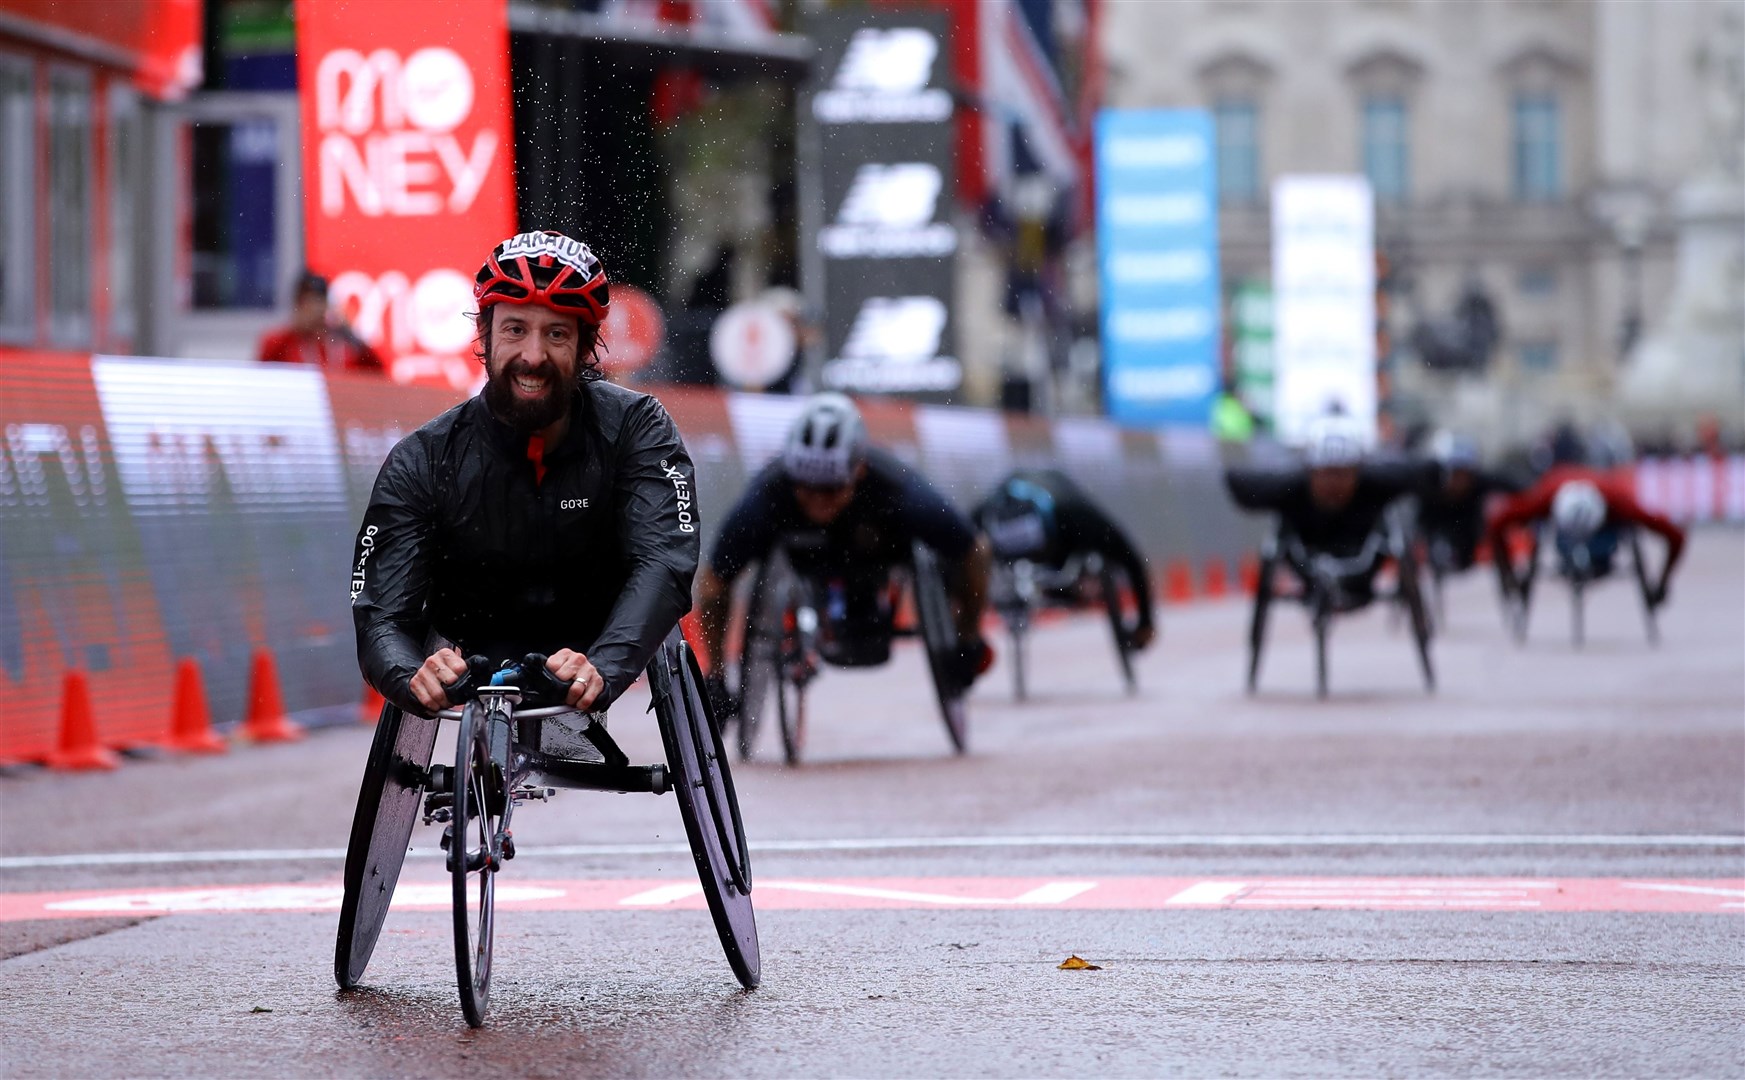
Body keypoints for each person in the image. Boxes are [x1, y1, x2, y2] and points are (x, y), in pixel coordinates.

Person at [352, 230, 698, 720]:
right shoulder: (424, 457)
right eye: (515, 330)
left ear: (584, 348)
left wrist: (604, 665)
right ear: (485, 336)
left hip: (596, 633)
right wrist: (409, 674)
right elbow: (380, 611)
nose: (532, 356)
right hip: (476, 633)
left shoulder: (639, 427)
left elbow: (665, 560)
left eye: (556, 334)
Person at [695, 393, 993, 708]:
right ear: (791, 473)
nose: (817, 502)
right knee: (715, 586)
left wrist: (968, 632)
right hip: (807, 561)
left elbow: (975, 550)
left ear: (859, 471)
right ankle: (714, 678)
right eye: (806, 487)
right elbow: (715, 581)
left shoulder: (896, 488)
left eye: (830, 488)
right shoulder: (770, 491)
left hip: (876, 557)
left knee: (969, 554)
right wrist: (716, 674)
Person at [1224, 414, 1433, 605]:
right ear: (1309, 471)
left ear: (1358, 471)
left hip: (1363, 568)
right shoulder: (1290, 487)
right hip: (1306, 565)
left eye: (1342, 473)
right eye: (1325, 473)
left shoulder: (1376, 484)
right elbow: (1240, 484)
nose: (1333, 484)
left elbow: (1424, 473)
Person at [973, 468, 1156, 650]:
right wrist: (1145, 623)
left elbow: (1131, 558)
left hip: (1019, 531)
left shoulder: (988, 511)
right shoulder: (1075, 510)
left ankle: (1061, 590)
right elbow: (1132, 559)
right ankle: (1062, 591)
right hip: (1048, 532)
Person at [1486, 464, 1685, 607]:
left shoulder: (1619, 503)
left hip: (1603, 539)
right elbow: (1497, 523)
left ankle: (1596, 549)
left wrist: (1662, 583)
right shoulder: (1544, 498)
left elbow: (1675, 535)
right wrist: (1508, 576)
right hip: (1563, 534)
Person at [1416, 432, 1521, 575]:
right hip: (1436, 529)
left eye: (1464, 473)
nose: (1459, 480)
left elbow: (1514, 485)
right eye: (1455, 473)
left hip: (1470, 530)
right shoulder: (1427, 489)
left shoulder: (1481, 483)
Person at [260, 270, 385, 373]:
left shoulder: (340, 344)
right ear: (297, 305)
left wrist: (348, 332)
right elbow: (262, 376)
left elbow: (378, 372)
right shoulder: (282, 343)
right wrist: (294, 329)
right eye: (307, 303)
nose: (314, 310)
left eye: (319, 302)